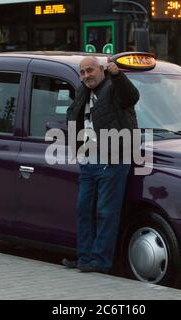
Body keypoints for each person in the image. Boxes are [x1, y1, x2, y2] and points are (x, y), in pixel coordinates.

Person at [62, 55, 139, 273]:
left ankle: (101, 262)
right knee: (83, 210)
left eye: (90, 70)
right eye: (83, 72)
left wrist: (118, 75)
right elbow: (73, 117)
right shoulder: (82, 91)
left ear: (102, 70)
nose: (87, 75)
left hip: (114, 158)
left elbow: (132, 96)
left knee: (106, 212)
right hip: (88, 159)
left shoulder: (114, 87)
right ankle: (85, 259)